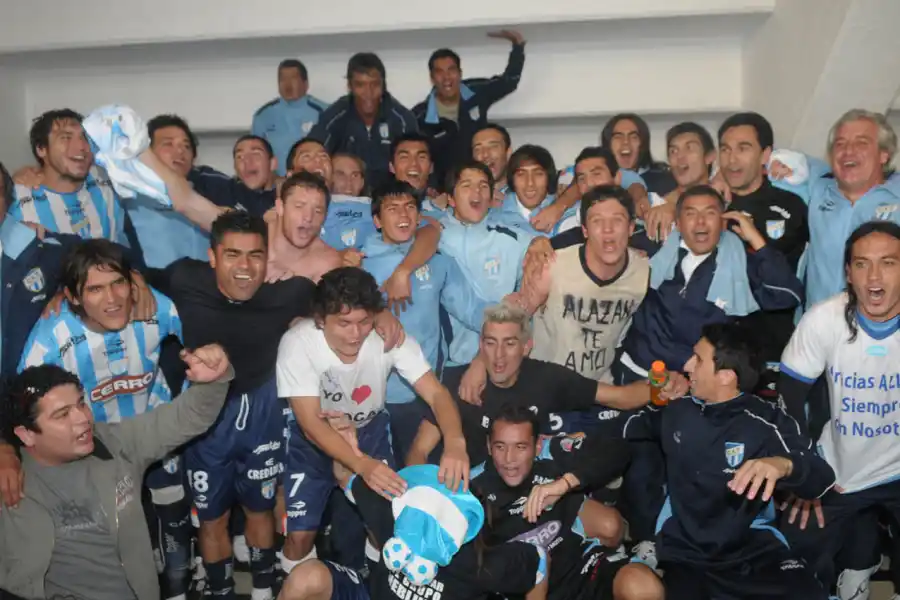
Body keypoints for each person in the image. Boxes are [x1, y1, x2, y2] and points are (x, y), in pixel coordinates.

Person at [615, 184, 803, 561]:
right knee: (640, 459)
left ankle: (692, 543)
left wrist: (753, 236)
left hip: (699, 385)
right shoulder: (658, 242)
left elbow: (787, 295)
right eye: (690, 213)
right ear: (677, 220)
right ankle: (644, 541)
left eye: (710, 213)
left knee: (692, 468)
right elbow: (604, 240)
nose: (700, 222)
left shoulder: (738, 259)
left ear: (724, 220)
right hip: (642, 375)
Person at [146, 211, 318, 600]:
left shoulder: (291, 292)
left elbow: (344, 301)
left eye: (255, 255)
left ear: (267, 257)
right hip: (205, 419)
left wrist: (380, 315)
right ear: (212, 256)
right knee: (212, 518)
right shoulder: (184, 278)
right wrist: (59, 289)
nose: (245, 267)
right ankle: (221, 592)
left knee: (260, 510)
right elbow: (127, 273)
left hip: (263, 414)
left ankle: (263, 593)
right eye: (233, 255)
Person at [17, 239, 191, 600]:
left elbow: (199, 348)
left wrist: (184, 406)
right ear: (72, 297)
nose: (112, 299)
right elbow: (23, 410)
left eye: (118, 283)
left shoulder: (156, 307)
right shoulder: (50, 338)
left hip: (154, 429)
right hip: (98, 448)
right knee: (124, 541)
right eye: (95, 289)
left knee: (176, 539)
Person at [275, 267, 469, 575]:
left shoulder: (388, 337)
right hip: (313, 442)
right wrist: (362, 464)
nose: (355, 334)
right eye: (344, 323)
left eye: (364, 321)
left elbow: (436, 394)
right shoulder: (297, 343)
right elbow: (311, 424)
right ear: (321, 319)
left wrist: (456, 442)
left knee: (385, 530)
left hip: (369, 432)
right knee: (299, 537)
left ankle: (378, 588)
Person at [0, 345, 233, 600]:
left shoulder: (114, 445)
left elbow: (184, 418)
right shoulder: (10, 481)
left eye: (81, 404)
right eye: (62, 415)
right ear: (26, 435)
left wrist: (213, 383)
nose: (82, 419)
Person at [623, 322, 834, 599]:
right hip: (686, 552)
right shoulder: (678, 411)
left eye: (698, 359)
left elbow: (822, 477)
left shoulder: (767, 421)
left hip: (752, 547)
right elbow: (628, 431)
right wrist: (654, 397)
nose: (687, 365)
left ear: (725, 376)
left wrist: (783, 465)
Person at [778, 221, 900, 597]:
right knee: (794, 546)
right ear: (848, 273)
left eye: (888, 263)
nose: (874, 277)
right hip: (841, 468)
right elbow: (789, 398)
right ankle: (859, 561)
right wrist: (804, 472)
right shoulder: (824, 318)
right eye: (862, 264)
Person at [407, 302, 655, 469]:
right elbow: (418, 451)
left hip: (529, 493)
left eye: (510, 344)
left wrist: (661, 386)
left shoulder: (547, 378)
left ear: (526, 347)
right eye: (491, 343)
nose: (499, 355)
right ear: (481, 346)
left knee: (609, 525)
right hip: (470, 494)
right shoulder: (458, 383)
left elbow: (620, 397)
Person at [279, 456, 549, 600]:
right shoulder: (401, 518)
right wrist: (347, 445)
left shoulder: (481, 565)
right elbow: (344, 475)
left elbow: (539, 561)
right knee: (307, 578)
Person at [471, 405, 664, 600]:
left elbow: (618, 449)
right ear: (488, 445)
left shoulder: (550, 452)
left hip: (585, 566)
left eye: (520, 447)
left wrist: (564, 484)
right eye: (500, 446)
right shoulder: (472, 487)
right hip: (532, 588)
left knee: (641, 585)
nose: (509, 459)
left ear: (537, 445)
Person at [361, 179, 490, 463]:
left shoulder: (438, 262)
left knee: (423, 479)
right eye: (392, 208)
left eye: (409, 207)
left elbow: (475, 312)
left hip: (427, 394)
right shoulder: (358, 265)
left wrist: (509, 318)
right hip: (371, 400)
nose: (403, 214)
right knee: (378, 482)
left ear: (419, 216)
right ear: (377, 221)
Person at [716, 112, 809, 397]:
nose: (732, 159)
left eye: (743, 148)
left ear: (765, 154)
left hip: (770, 352)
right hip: (716, 350)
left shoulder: (790, 205)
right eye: (725, 149)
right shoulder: (709, 205)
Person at [770, 109, 900, 309]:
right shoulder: (817, 187)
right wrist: (722, 178)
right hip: (818, 321)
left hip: (885, 323)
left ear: (884, 154)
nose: (848, 151)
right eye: (840, 144)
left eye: (861, 143)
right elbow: (764, 166)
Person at [436, 160, 542, 366]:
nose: (476, 192)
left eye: (483, 186)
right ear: (450, 198)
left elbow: (538, 280)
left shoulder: (513, 239)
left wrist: (541, 242)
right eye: (466, 185)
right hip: (452, 361)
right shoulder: (433, 237)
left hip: (508, 358)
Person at [413, 30, 526, 192]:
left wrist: (518, 46)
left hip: (486, 185)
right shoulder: (420, 116)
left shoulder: (476, 92)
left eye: (451, 70)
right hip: (448, 193)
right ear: (432, 78)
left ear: (460, 73)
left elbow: (508, 82)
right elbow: (421, 160)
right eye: (439, 72)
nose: (446, 77)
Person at [9, 108, 128, 242]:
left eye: (85, 137)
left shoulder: (108, 183)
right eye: (66, 137)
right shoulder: (17, 201)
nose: (81, 146)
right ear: (41, 149)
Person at [308, 53, 417, 188]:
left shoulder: (402, 119)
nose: (368, 93)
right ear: (350, 86)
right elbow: (312, 155)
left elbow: (419, 162)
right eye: (360, 85)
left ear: (383, 85)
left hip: (391, 195)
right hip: (345, 194)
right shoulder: (334, 117)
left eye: (375, 84)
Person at [252, 58, 329, 176]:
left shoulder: (324, 112)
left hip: (315, 180)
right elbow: (256, 155)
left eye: (293, 78)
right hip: (277, 182)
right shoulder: (263, 115)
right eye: (282, 79)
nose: (287, 84)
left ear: (306, 84)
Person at [600, 113, 676, 196]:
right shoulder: (599, 181)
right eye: (618, 137)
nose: (626, 142)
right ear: (608, 144)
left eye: (633, 137)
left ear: (643, 144)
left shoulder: (664, 181)